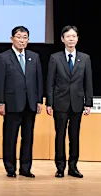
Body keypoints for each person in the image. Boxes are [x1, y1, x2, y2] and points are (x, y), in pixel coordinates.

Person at [0, 26, 43, 178]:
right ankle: (10, 168)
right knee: (10, 137)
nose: (22, 40)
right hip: (12, 103)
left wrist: (39, 100)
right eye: (19, 37)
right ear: (12, 39)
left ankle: (25, 168)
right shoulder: (4, 57)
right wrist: (0, 102)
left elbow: (38, 80)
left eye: (25, 37)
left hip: (30, 103)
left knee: (28, 137)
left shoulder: (34, 57)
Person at [46, 25, 93, 178]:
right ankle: (60, 167)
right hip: (60, 103)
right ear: (62, 39)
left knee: (74, 136)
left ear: (77, 39)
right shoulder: (55, 58)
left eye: (74, 36)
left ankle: (73, 167)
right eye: (68, 36)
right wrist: (49, 103)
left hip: (77, 103)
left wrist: (88, 103)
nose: (71, 39)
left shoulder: (85, 58)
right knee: (60, 135)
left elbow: (88, 82)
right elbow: (50, 82)